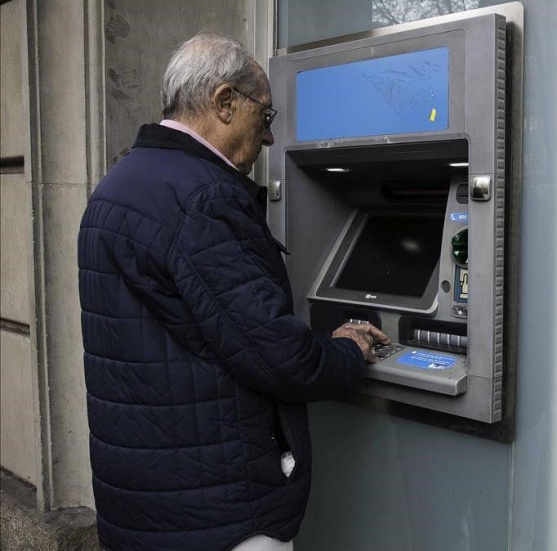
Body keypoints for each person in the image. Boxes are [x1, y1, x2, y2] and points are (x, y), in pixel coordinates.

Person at [77, 33, 389, 551]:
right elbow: (276, 355)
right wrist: (349, 350)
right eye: (265, 117)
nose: (269, 140)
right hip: (221, 514)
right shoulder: (205, 198)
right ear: (225, 103)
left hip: (142, 503)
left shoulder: (116, 187)